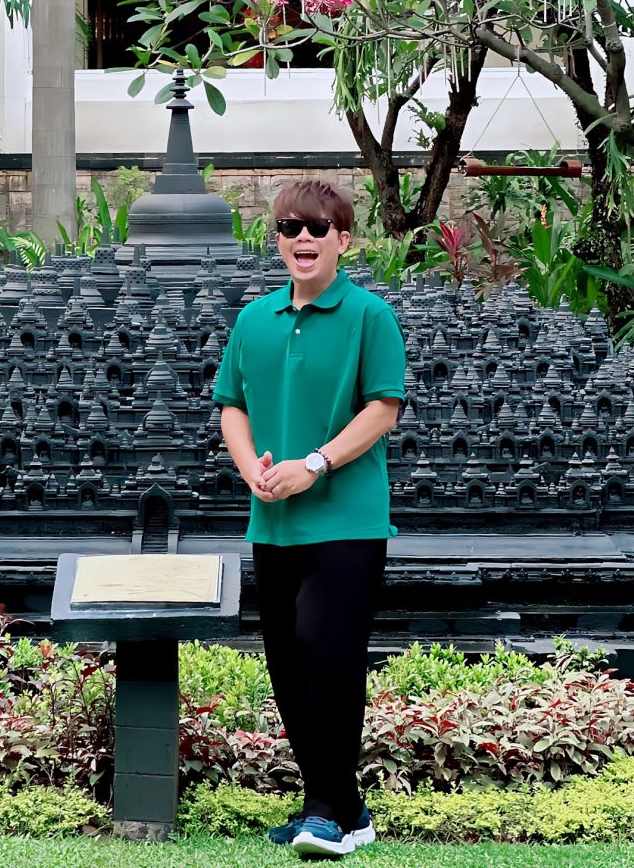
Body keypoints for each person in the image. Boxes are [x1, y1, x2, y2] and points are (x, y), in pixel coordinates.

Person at [212, 178, 405, 860]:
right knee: (289, 664)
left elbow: (383, 408)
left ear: (343, 240)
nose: (302, 238)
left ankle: (325, 810)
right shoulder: (254, 319)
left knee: (329, 653)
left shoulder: (368, 317)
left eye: (317, 228)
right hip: (275, 521)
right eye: (291, 227)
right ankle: (343, 806)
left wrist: (314, 464)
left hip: (347, 519)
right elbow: (232, 403)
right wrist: (252, 471)